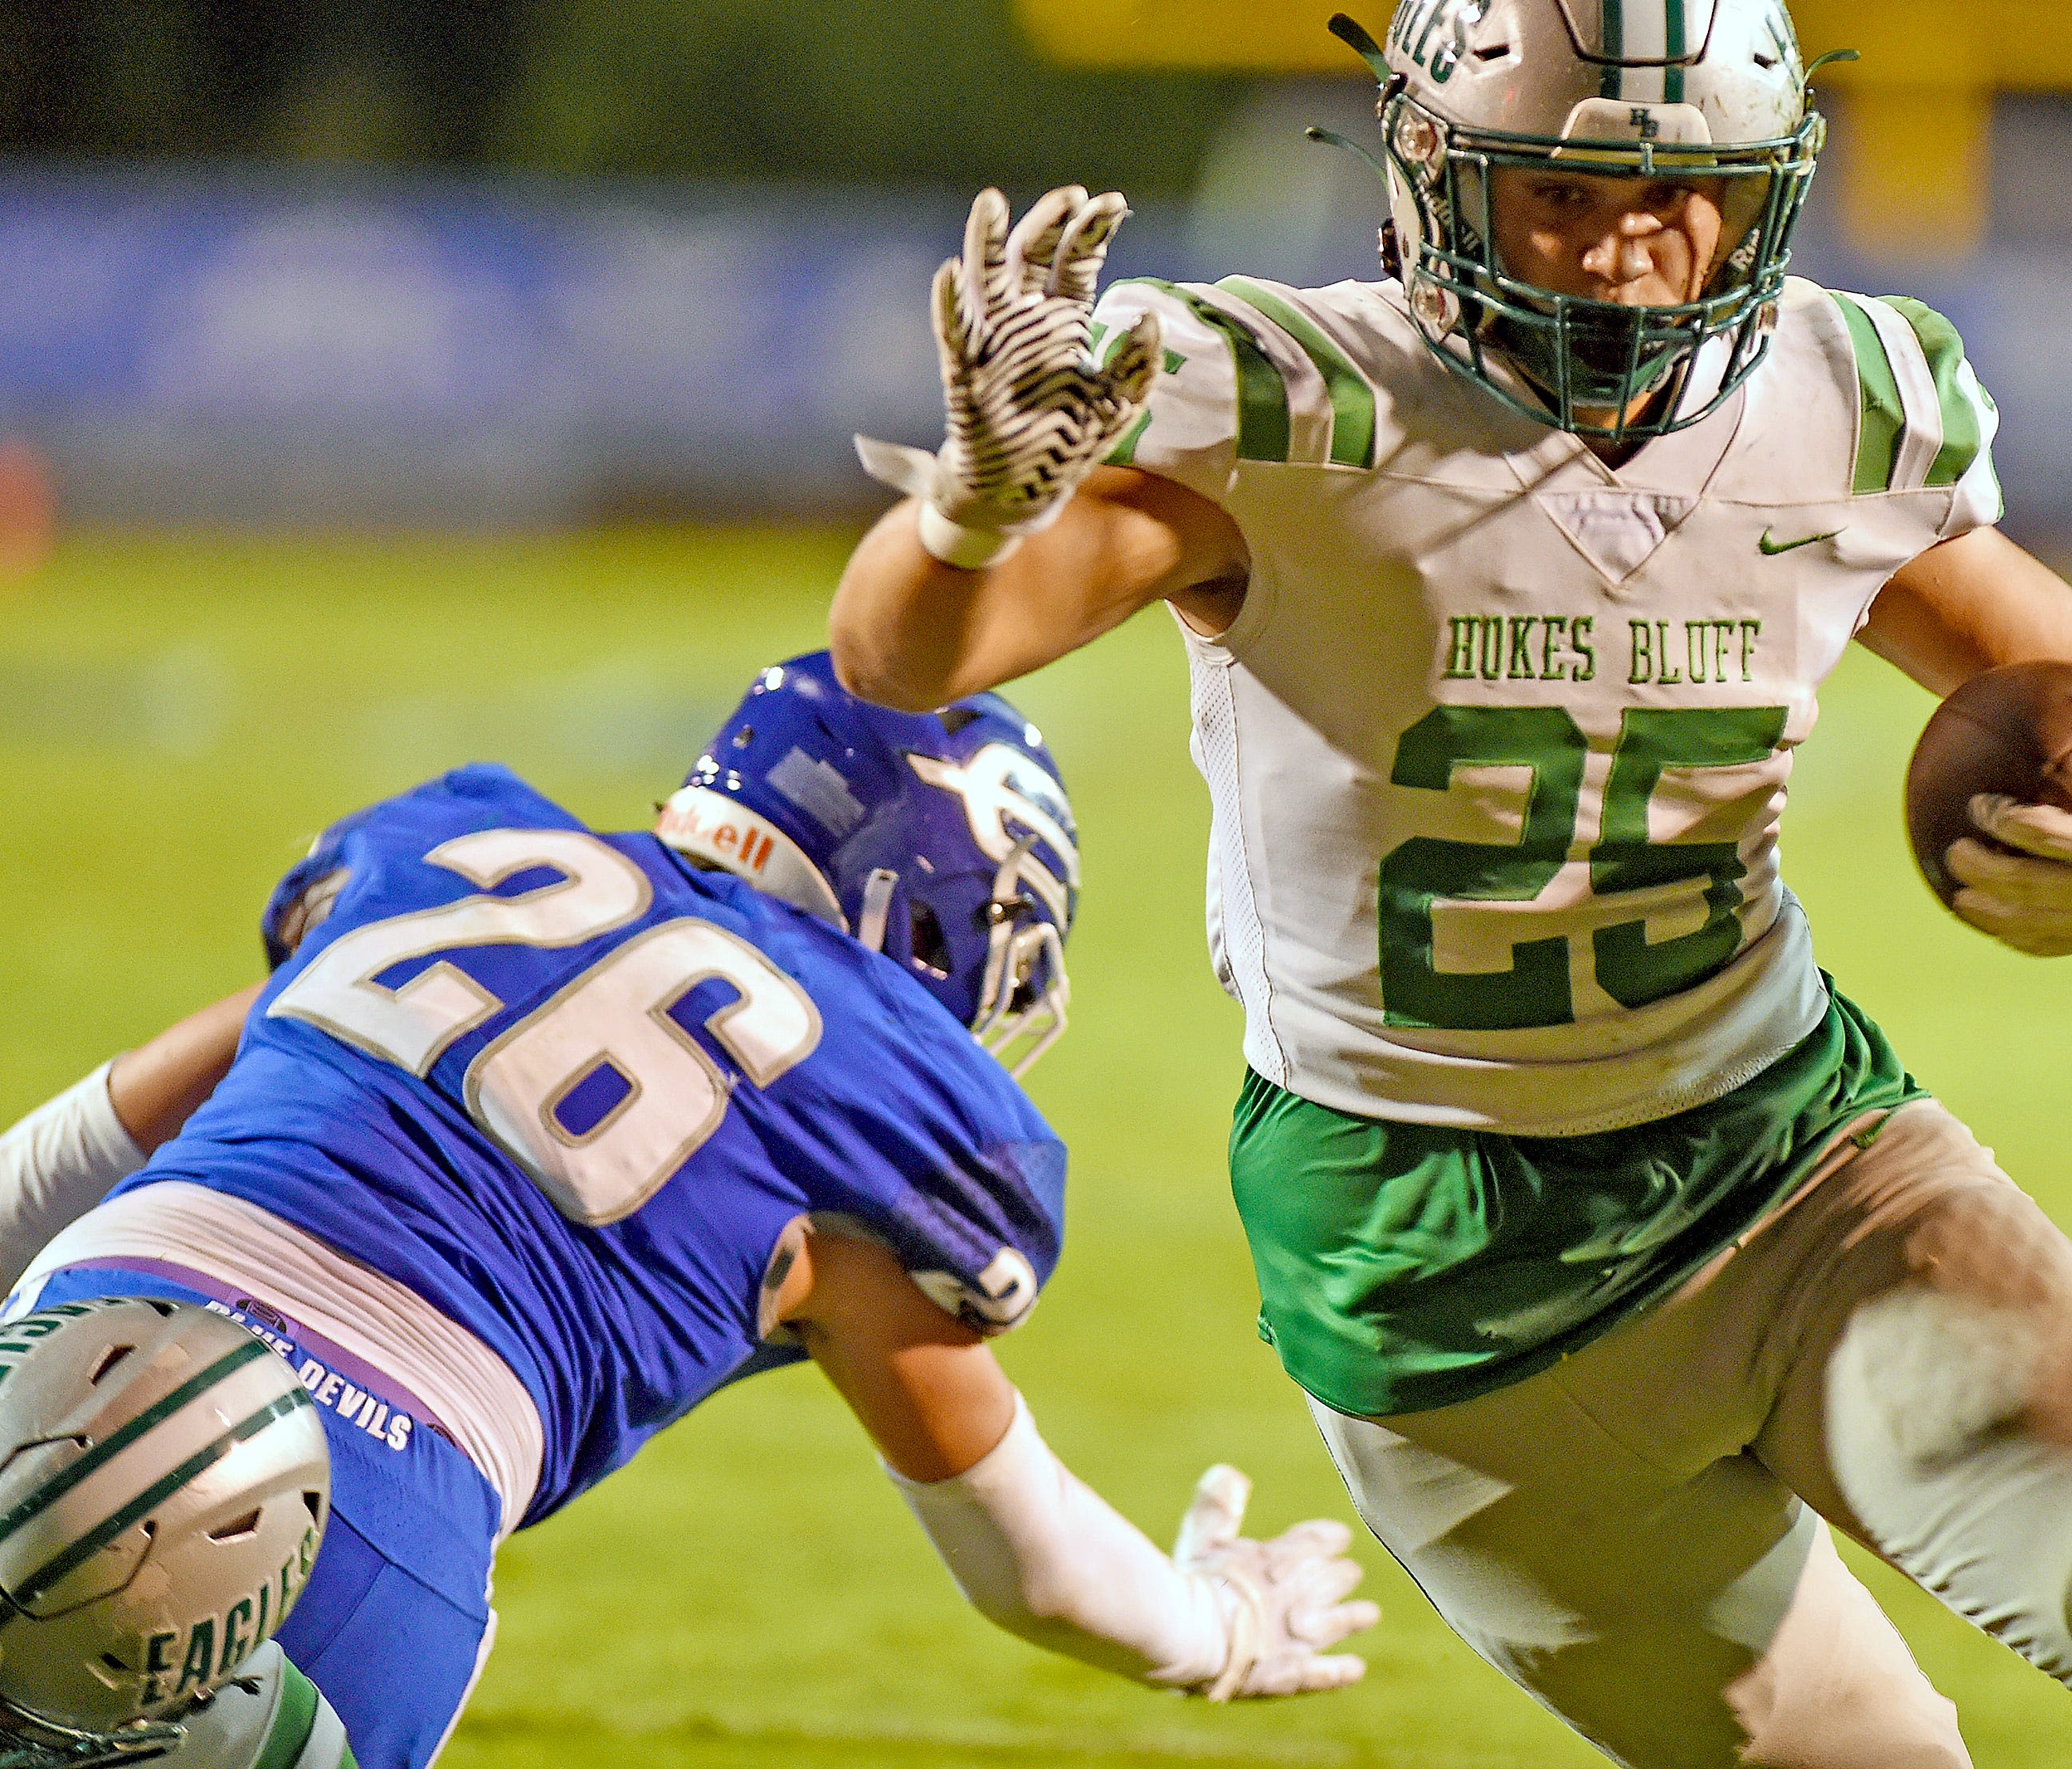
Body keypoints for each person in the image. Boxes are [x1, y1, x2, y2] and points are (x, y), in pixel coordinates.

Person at [826, 0, 2072, 1769]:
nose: (1630, 249)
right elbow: (901, 658)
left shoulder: (1836, 400)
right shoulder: (1293, 410)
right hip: (1444, 1267)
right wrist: (964, 517)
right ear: (1436, 174)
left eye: (1686, 195)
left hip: (1798, 1159)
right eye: (1569, 192)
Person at [0, 654, 1375, 1769]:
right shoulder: (858, 1111)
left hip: (93, 1325)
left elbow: (87, 1141)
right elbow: (1032, 1561)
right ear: (927, 918)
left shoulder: (454, 861)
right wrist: (1221, 1626)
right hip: (378, 1490)